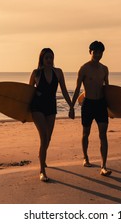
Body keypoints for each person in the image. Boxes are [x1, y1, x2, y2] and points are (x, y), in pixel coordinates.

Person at [29, 48, 74, 182]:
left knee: (48, 138)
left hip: (51, 107)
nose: (49, 60)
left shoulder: (58, 72)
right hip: (37, 107)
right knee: (44, 137)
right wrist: (23, 114)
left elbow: (64, 90)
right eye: (47, 58)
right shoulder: (36, 73)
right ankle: (42, 171)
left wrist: (71, 106)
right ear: (42, 59)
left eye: (51, 57)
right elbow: (28, 92)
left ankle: (42, 157)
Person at [71, 41, 112, 176]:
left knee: (103, 135)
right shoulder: (84, 68)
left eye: (100, 52)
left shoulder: (104, 69)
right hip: (88, 103)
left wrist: (111, 109)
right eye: (95, 52)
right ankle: (85, 157)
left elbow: (108, 90)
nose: (97, 54)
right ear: (90, 52)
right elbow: (77, 89)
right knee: (85, 133)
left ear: (102, 54)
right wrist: (71, 107)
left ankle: (103, 166)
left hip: (101, 104)